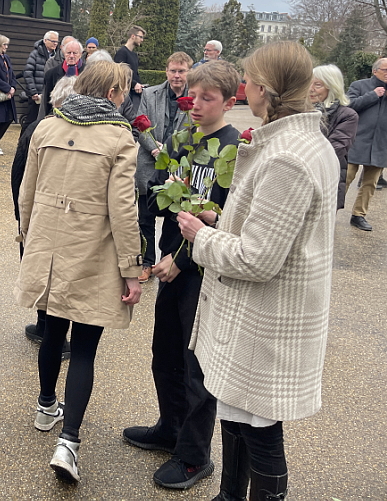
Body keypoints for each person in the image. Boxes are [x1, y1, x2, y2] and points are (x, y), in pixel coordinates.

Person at [176, 41, 337, 501]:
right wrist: (219, 220)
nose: (244, 86)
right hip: (263, 314)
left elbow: (257, 258)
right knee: (237, 418)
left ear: (263, 89)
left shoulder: (287, 156)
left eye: (248, 80)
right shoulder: (303, 142)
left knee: (261, 432)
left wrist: (201, 236)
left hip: (265, 319)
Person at [15, 61, 142, 484]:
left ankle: (45, 405)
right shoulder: (119, 137)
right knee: (84, 348)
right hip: (93, 251)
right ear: (112, 93)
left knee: (53, 331)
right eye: (121, 92)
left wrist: (28, 237)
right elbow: (123, 209)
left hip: (49, 247)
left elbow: (27, 191)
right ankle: (68, 442)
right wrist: (132, 268)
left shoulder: (47, 127)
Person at [123, 59, 240, 491]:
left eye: (208, 98)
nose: (197, 104)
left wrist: (182, 259)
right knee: (165, 352)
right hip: (171, 262)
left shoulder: (234, 149)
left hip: (203, 273)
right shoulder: (182, 139)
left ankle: (194, 455)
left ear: (229, 102)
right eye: (193, 96)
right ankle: (170, 428)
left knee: (196, 367)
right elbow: (161, 201)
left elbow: (227, 221)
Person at [12, 75, 79, 361]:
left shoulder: (36, 128)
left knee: (42, 268)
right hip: (57, 213)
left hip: (38, 213)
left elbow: (18, 176)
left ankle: (46, 327)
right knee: (53, 270)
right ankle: (49, 329)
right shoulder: (47, 130)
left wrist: (21, 214)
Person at [133, 52, 193, 282]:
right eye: (173, 71)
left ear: (188, 72)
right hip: (150, 162)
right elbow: (139, 125)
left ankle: (168, 260)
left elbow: (196, 129)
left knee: (175, 219)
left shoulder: (194, 98)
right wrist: (155, 150)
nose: (177, 75)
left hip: (179, 165)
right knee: (145, 218)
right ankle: (146, 262)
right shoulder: (150, 94)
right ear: (166, 71)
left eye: (181, 71)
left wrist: (172, 151)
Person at [344, 57, 387, 231]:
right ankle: (330, 210)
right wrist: (373, 95)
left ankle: (358, 215)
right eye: (386, 70)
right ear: (375, 71)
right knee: (345, 178)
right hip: (356, 140)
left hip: (381, 143)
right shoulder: (359, 85)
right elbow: (348, 106)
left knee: (370, 183)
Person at [311, 64, 359, 210]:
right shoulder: (300, 111)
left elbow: (334, 150)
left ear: (332, 87)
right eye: (308, 83)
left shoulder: (347, 116)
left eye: (317, 85)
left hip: (325, 179)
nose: (310, 89)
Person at [39, 39, 85, 119]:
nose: (71, 56)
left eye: (75, 53)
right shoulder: (51, 74)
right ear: (64, 53)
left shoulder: (89, 73)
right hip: (57, 116)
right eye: (68, 53)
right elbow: (47, 101)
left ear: (80, 54)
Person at [23, 31, 59, 126]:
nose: (55, 43)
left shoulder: (57, 56)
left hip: (49, 93)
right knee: (31, 120)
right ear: (45, 40)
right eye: (53, 41)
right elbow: (28, 73)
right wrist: (33, 91)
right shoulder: (35, 54)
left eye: (57, 41)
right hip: (37, 94)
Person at [114, 25, 145, 116]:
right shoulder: (122, 53)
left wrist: (140, 85)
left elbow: (135, 74)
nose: (142, 40)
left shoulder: (134, 55)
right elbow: (119, 74)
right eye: (140, 37)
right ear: (133, 36)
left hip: (134, 94)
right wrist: (134, 84)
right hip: (124, 94)